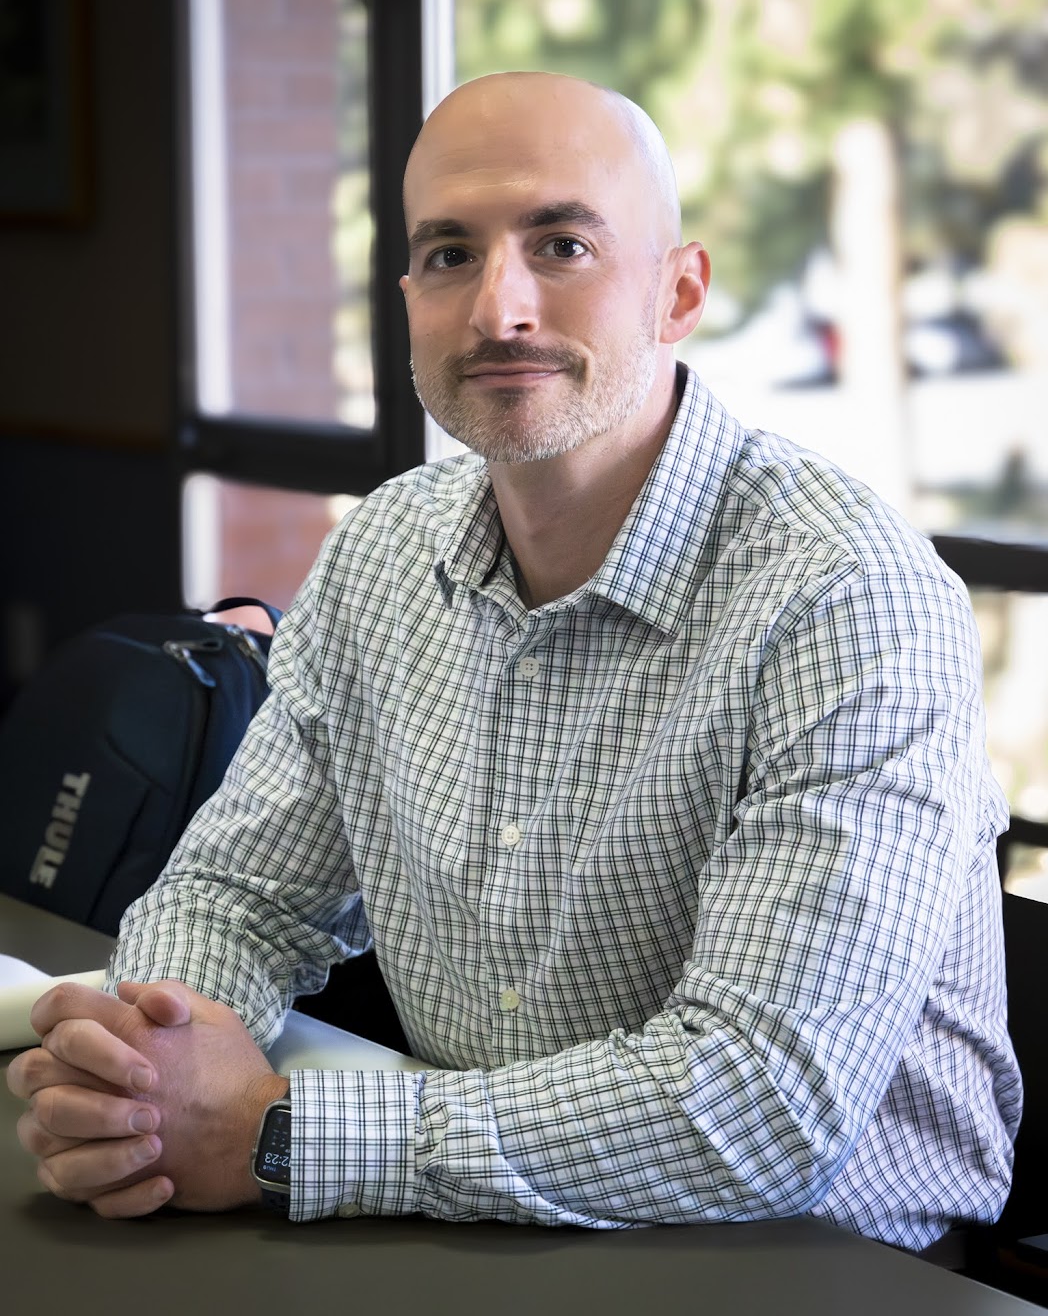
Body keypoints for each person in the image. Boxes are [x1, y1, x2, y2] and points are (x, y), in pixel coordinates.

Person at [7, 71, 1020, 1249]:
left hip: (814, 1262)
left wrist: (277, 1134)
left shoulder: (847, 596)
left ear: (678, 290)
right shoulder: (385, 550)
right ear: (407, 298)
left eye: (562, 244)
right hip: (479, 1220)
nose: (500, 308)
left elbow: (763, 1106)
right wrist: (148, 1068)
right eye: (448, 253)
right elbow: (239, 894)